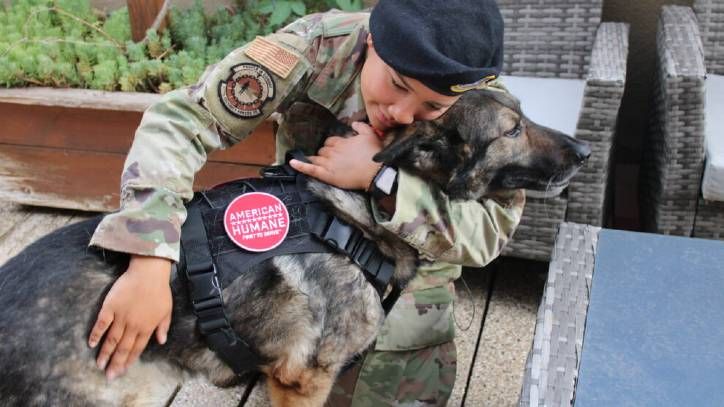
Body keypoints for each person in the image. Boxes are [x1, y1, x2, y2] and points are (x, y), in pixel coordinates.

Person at [87, 0, 524, 404]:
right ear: (372, 40)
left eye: (433, 105)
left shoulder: (486, 107)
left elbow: (489, 233)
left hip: (408, 280)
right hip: (302, 252)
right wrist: (149, 257)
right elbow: (182, 121)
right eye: (396, 84)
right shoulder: (317, 49)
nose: (403, 114)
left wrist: (381, 179)